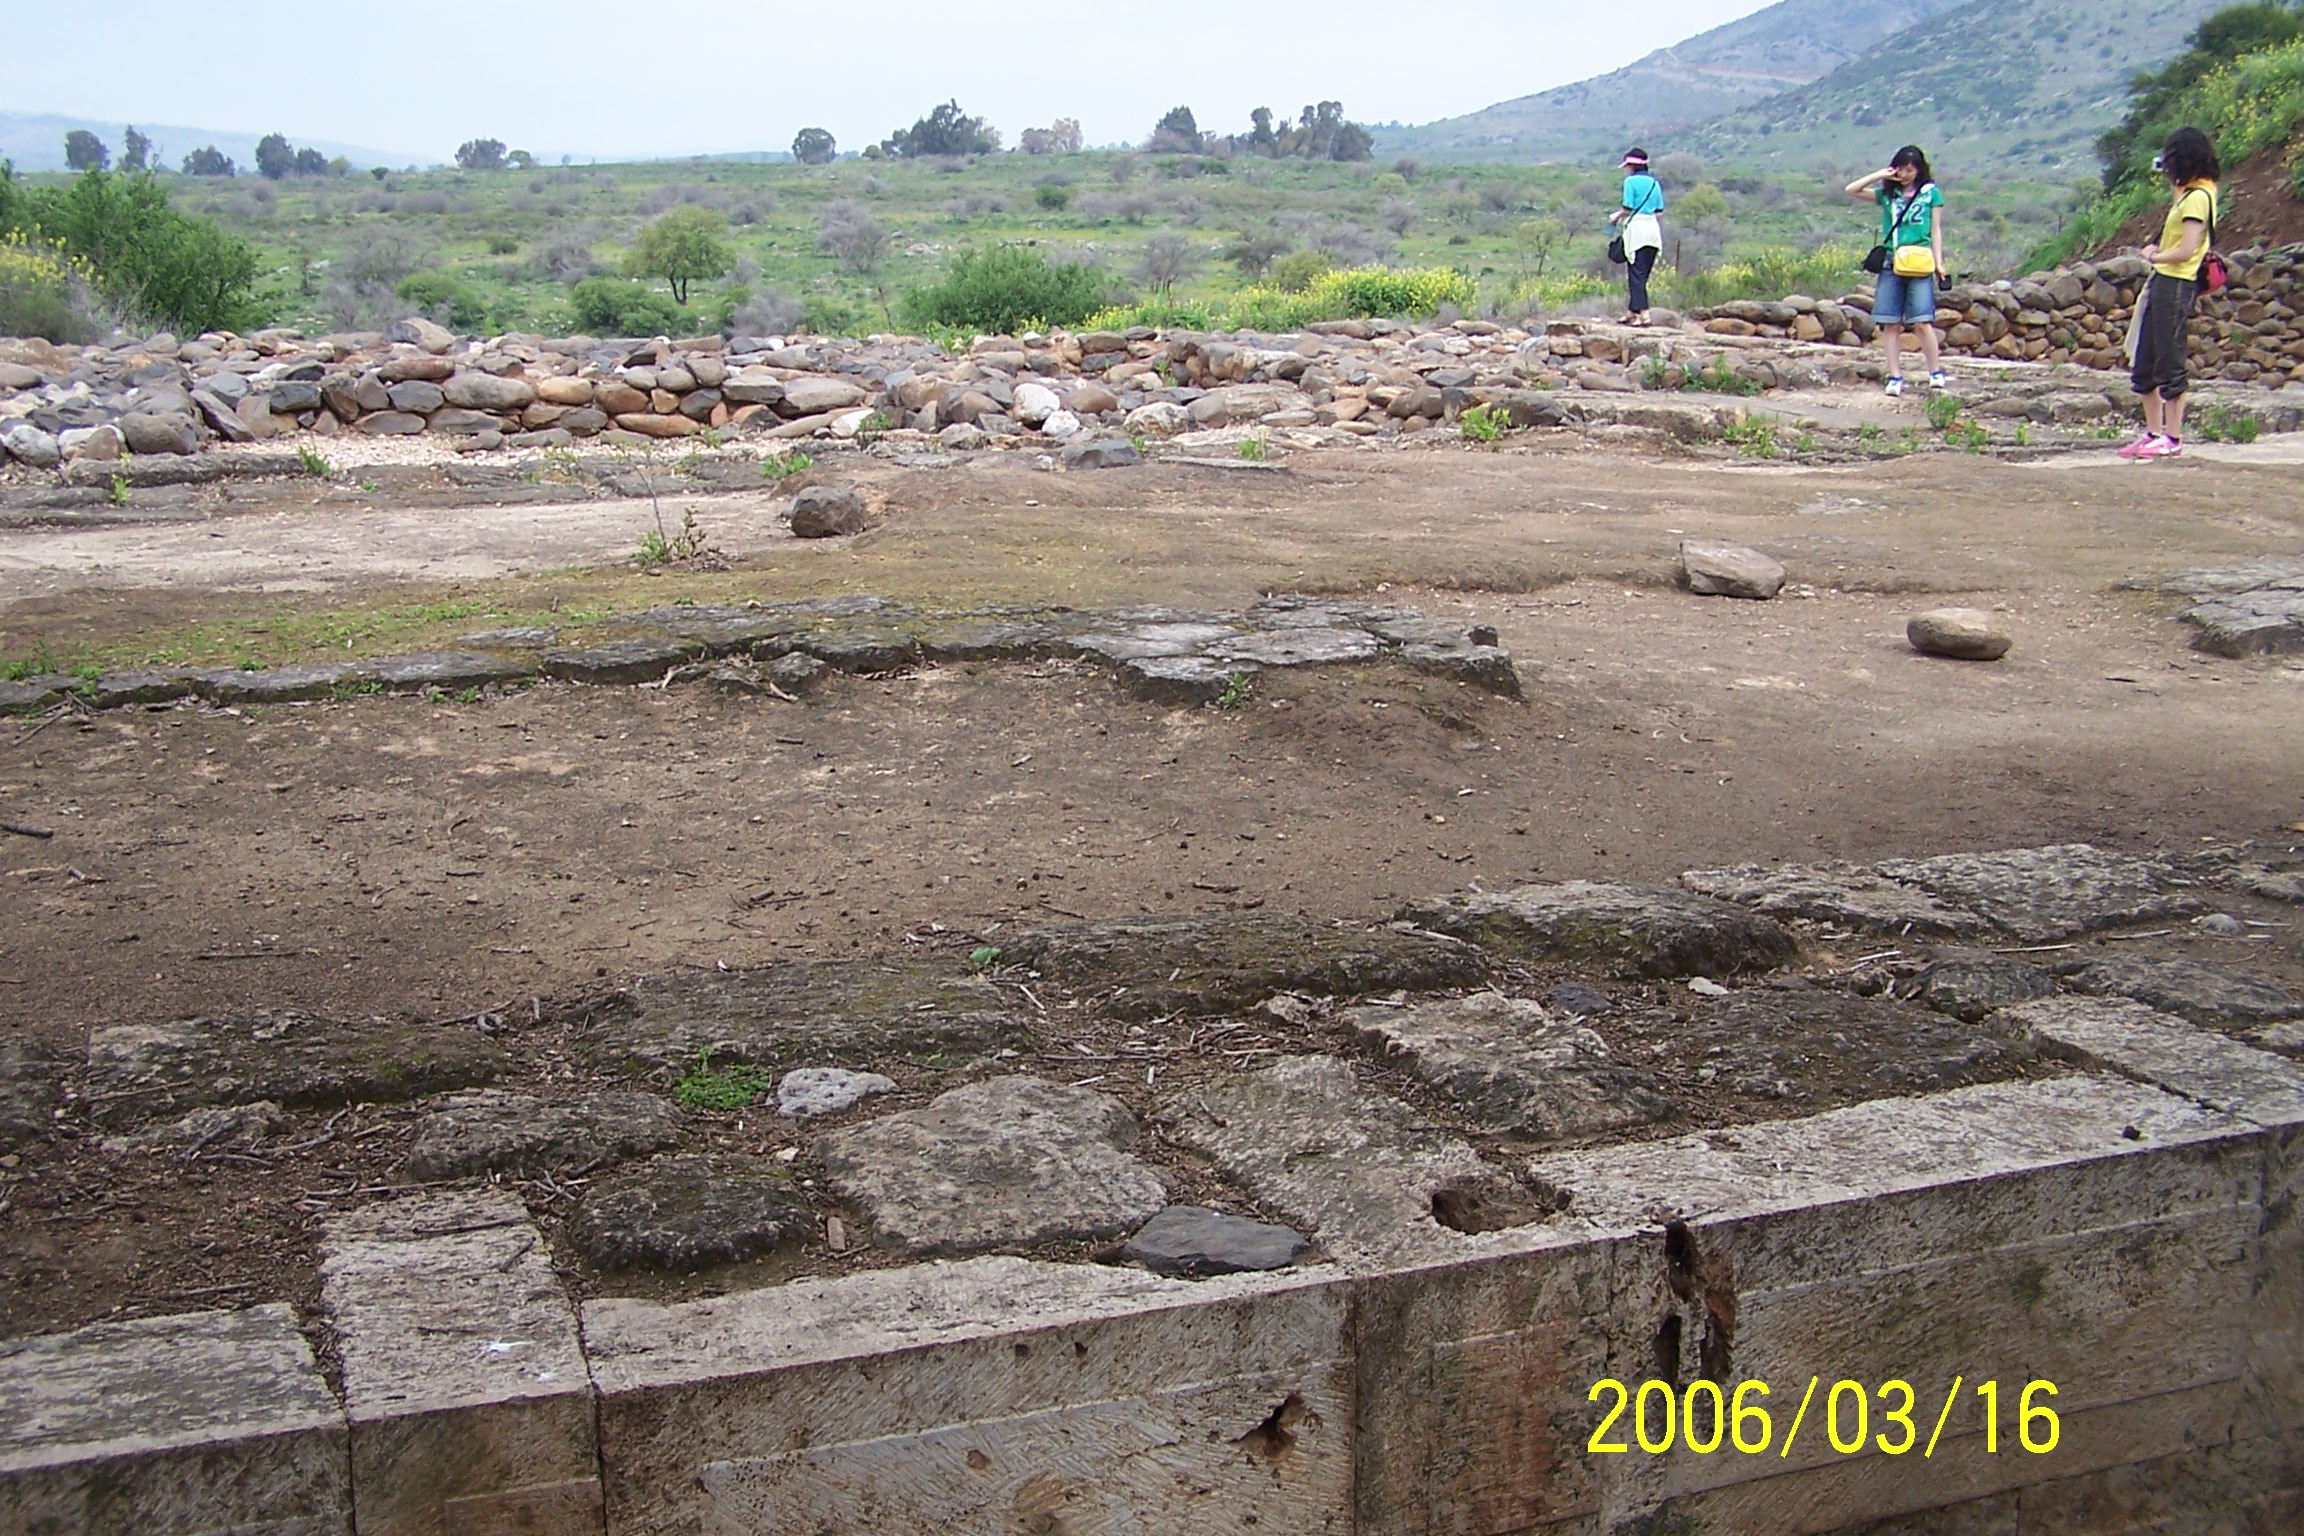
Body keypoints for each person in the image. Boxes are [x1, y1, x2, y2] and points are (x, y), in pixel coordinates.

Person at [2122, 127, 2221, 460]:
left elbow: (2186, 249)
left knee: (2169, 358)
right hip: (2164, 282)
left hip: (2176, 283)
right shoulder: (2191, 194)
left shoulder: (2199, 198)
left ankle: (2173, 436)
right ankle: (2153, 433)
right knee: (2145, 360)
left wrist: (2154, 255)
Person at [1846, 147, 1947, 397]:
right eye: (1900, 169)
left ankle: (1935, 372)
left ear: (1919, 170)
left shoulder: (1930, 193)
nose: (1904, 174)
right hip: (1893, 261)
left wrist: (1939, 262)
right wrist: (1881, 174)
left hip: (1919, 260)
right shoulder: (1888, 195)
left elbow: (1935, 229)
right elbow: (1852, 190)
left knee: (1922, 321)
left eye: (1909, 170)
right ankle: (1894, 375)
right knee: (1890, 323)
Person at [1608, 149, 1665, 326]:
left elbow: (1627, 208)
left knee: (1635, 273)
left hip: (1637, 230)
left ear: (1632, 166)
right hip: (1653, 230)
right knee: (1643, 273)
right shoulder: (1655, 183)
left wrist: (1615, 217)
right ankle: (1632, 312)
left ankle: (1644, 314)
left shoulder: (1630, 182)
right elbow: (1659, 212)